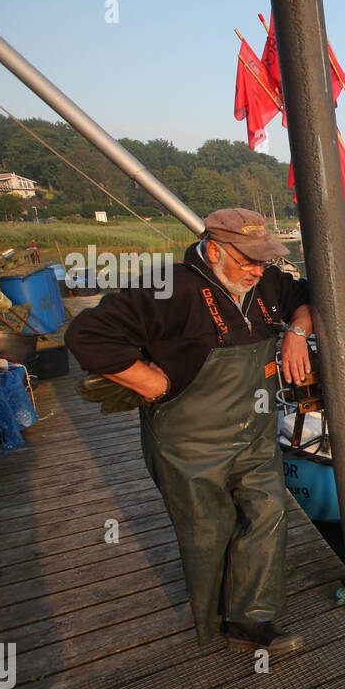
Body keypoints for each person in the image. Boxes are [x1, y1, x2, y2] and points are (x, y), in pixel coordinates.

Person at [66, 208, 315, 655]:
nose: (259, 270)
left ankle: (251, 619)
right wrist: (151, 381)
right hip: (188, 442)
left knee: (268, 513)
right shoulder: (167, 287)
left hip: (255, 433)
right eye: (249, 261)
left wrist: (296, 330)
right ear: (214, 249)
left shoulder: (269, 283)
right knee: (208, 529)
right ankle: (214, 616)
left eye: (265, 259)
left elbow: (314, 294)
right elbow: (87, 335)